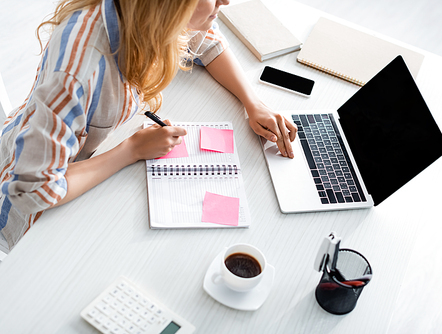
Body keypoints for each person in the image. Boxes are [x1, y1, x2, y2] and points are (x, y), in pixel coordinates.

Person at [0, 0, 297, 251]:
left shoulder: (148, 16)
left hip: (84, 168)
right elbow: (34, 190)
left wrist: (254, 103)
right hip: (32, 216)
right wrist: (130, 150)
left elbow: (207, 40)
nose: (227, 0)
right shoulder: (78, 73)